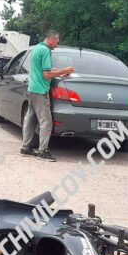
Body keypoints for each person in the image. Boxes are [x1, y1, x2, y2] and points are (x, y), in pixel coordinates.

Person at [20, 30, 75, 162]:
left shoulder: (37, 48)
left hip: (32, 89)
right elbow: (46, 75)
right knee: (46, 121)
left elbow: (45, 69)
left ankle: (25, 147)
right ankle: (42, 151)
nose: (57, 44)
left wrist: (59, 72)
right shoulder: (45, 51)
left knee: (31, 119)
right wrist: (65, 71)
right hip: (40, 91)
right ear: (51, 39)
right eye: (57, 41)